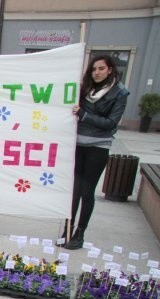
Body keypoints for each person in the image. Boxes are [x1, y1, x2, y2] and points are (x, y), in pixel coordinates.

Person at [65, 54, 129, 250]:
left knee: (86, 190)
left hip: (98, 147)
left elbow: (111, 123)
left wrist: (84, 114)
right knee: (74, 190)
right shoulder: (84, 88)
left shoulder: (119, 93)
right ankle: (68, 229)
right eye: (94, 69)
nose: (97, 72)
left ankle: (80, 233)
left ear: (110, 69)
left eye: (101, 68)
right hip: (78, 144)